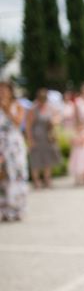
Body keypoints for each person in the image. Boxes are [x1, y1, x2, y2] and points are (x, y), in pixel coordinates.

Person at [0, 81, 28, 222]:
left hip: (14, 145)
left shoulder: (17, 105)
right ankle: (4, 210)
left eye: (5, 90)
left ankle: (17, 209)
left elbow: (18, 123)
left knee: (16, 176)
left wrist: (7, 110)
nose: (2, 93)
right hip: (1, 145)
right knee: (2, 177)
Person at [25, 88, 61, 188]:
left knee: (48, 159)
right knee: (35, 160)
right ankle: (36, 181)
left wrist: (54, 121)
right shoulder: (33, 109)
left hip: (48, 136)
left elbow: (57, 117)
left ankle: (47, 179)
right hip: (36, 136)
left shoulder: (50, 108)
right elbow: (28, 126)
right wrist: (30, 140)